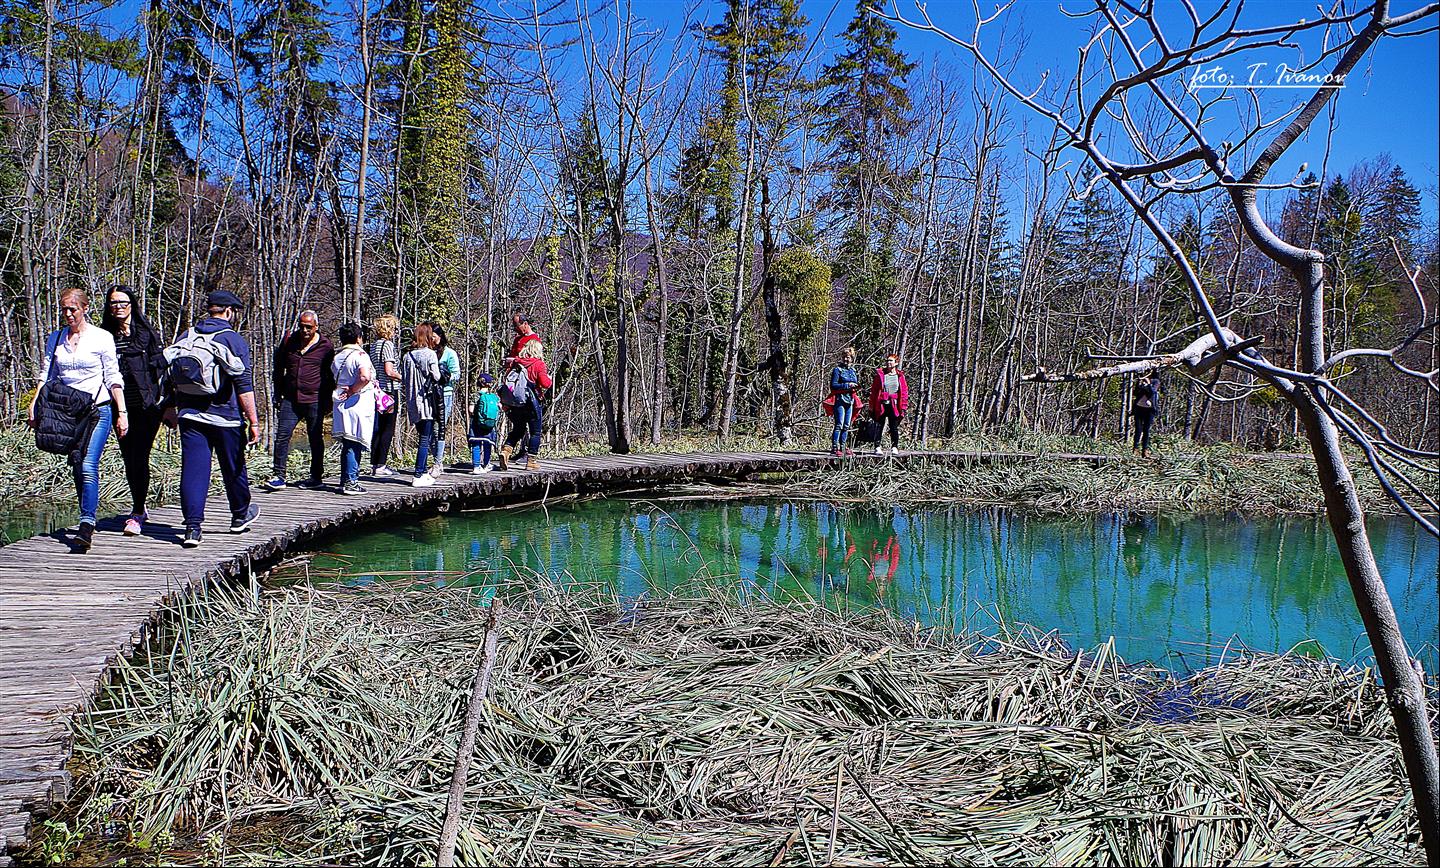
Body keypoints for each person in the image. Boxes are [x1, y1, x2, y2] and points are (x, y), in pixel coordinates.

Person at [28, 288, 128, 552]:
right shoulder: (57, 338)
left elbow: (113, 376)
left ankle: (86, 526)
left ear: (84, 308)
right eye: (64, 309)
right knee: (76, 465)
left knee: (87, 464)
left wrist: (122, 412)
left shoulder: (101, 338)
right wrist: (34, 404)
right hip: (68, 412)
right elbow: (46, 374)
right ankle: (86, 514)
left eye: (73, 309)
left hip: (98, 409)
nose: (68, 314)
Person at [171, 290, 261, 548]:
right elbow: (243, 383)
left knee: (193, 470)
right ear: (229, 312)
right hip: (225, 416)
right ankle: (239, 515)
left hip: (189, 414)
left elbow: (172, 374)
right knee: (233, 467)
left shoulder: (187, 335)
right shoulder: (232, 339)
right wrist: (253, 421)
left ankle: (192, 528)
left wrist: (171, 407)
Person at [100, 284, 169, 536]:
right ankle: (139, 505)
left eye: (123, 302)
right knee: (130, 457)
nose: (118, 307)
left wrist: (169, 406)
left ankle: (137, 512)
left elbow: (162, 370)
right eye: (113, 303)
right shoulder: (103, 334)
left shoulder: (146, 333)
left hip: (146, 405)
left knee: (139, 455)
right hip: (116, 404)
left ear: (132, 305)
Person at [265, 310, 334, 490]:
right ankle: (279, 476)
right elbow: (279, 368)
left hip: (314, 399)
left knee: (315, 439)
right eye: (302, 326)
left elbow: (330, 375)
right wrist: (277, 393)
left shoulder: (326, 346)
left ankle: (316, 477)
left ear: (316, 327)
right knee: (282, 436)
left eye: (309, 327)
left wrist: (328, 400)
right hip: (291, 398)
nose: (305, 330)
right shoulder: (290, 342)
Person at [330, 322, 376, 495]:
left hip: (341, 402)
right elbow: (365, 376)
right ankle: (351, 481)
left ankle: (346, 479)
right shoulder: (360, 354)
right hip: (357, 402)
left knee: (348, 441)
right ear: (358, 337)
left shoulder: (338, 356)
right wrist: (354, 389)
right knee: (354, 441)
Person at [498, 339, 552, 472]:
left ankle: (506, 451)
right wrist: (549, 379)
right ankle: (531, 461)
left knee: (518, 429)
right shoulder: (539, 364)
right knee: (535, 432)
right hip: (531, 403)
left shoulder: (516, 362)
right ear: (537, 350)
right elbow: (545, 384)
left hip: (515, 403)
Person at [401, 322, 442, 487]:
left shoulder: (407, 357)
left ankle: (424, 472)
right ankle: (418, 474)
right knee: (425, 439)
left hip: (412, 403)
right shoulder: (430, 355)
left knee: (423, 436)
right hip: (426, 402)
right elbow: (437, 376)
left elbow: (404, 379)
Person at [367, 313, 402, 478]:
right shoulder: (388, 345)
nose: (395, 331)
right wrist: (404, 377)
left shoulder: (373, 346)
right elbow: (389, 371)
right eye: (394, 328)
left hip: (376, 391)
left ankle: (374, 464)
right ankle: (381, 465)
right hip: (388, 391)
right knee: (388, 428)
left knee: (378, 428)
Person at [431, 322, 461, 474]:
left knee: (439, 428)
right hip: (430, 394)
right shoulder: (428, 352)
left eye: (434, 337)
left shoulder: (449, 353)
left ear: (440, 336)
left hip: (445, 394)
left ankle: (438, 461)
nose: (432, 340)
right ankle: (435, 459)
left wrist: (444, 377)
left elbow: (457, 374)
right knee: (429, 429)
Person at [868, 354, 910, 456]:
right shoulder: (881, 375)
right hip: (882, 404)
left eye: (891, 361)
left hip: (894, 404)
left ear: (896, 363)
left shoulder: (900, 376)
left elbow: (904, 392)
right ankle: (877, 446)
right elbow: (874, 391)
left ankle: (894, 446)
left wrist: (903, 407)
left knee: (893, 426)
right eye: (887, 361)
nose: (888, 363)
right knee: (879, 425)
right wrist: (872, 406)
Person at [829, 347, 860, 456]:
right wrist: (847, 385)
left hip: (850, 399)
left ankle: (843, 446)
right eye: (845, 357)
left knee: (847, 425)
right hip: (840, 399)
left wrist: (855, 386)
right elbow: (833, 385)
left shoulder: (853, 370)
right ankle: (834, 447)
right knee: (839, 424)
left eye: (848, 357)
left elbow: (856, 382)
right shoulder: (837, 370)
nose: (846, 359)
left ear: (852, 358)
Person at [468, 372, 500, 474]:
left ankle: (476, 466)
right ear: (489, 384)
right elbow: (499, 408)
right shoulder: (493, 397)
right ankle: (486, 464)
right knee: (487, 444)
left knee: (476, 444)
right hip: (489, 425)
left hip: (476, 424)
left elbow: (471, 410)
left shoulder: (475, 395)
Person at [1131, 375, 1160, 457]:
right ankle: (1135, 449)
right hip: (1139, 409)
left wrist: (1148, 384)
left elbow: (1152, 392)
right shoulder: (1140, 381)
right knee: (1138, 430)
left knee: (1146, 430)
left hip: (1149, 410)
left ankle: (1145, 450)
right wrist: (1139, 383)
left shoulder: (1155, 381)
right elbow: (1135, 393)